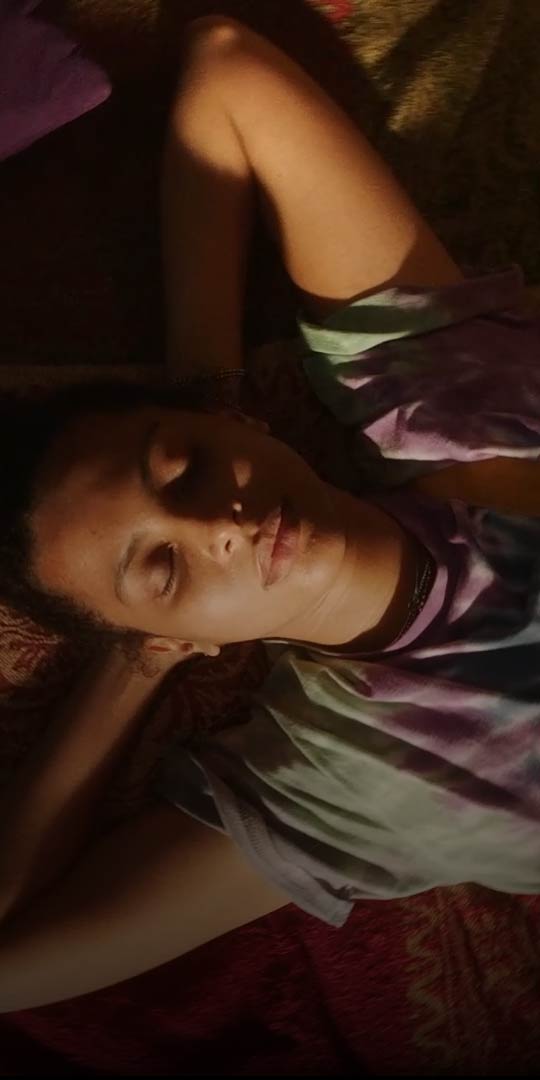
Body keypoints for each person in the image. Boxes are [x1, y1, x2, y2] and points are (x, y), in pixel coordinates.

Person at [1, 15, 540, 1012]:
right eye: (164, 569)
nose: (218, 525)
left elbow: (227, 67)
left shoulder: (451, 408)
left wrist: (208, 383)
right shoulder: (355, 788)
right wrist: (135, 665)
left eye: (187, 467)